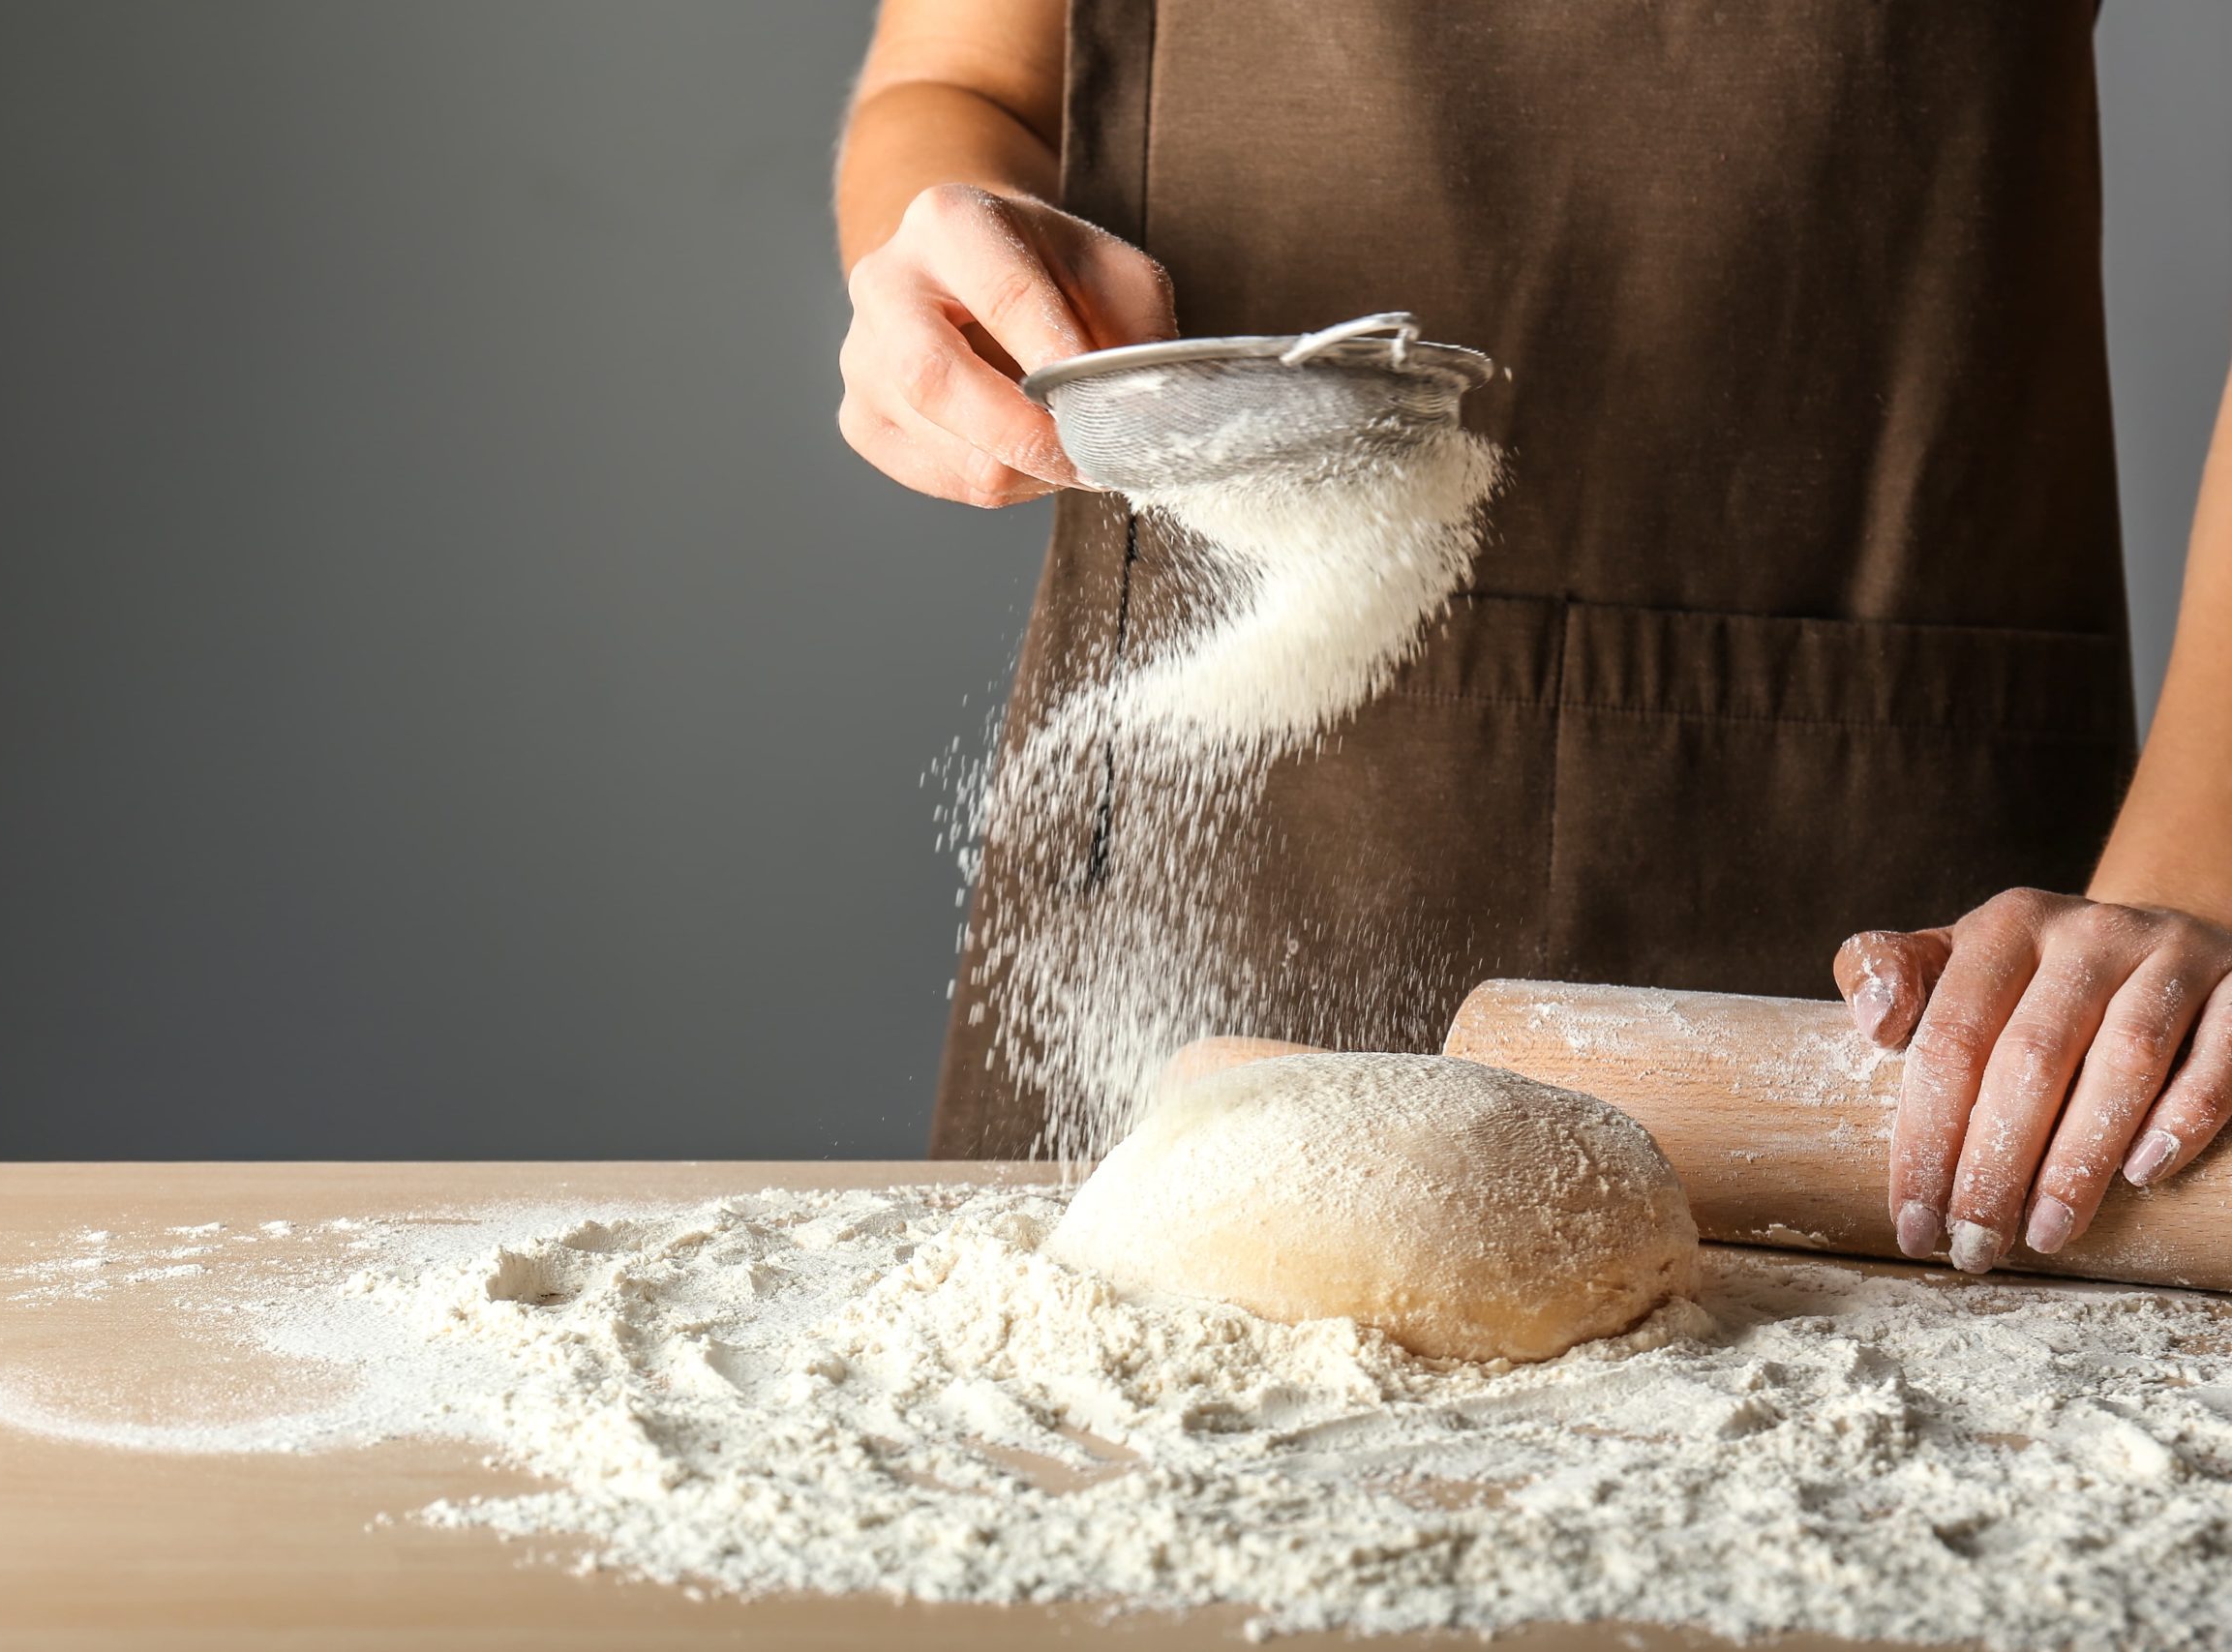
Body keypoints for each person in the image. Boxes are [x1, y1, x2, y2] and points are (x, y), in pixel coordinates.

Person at [833, 0, 2232, 1276]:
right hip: (1231, 799)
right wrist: (957, 270)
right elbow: (965, 74)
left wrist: (2191, 872)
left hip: (1913, 909)